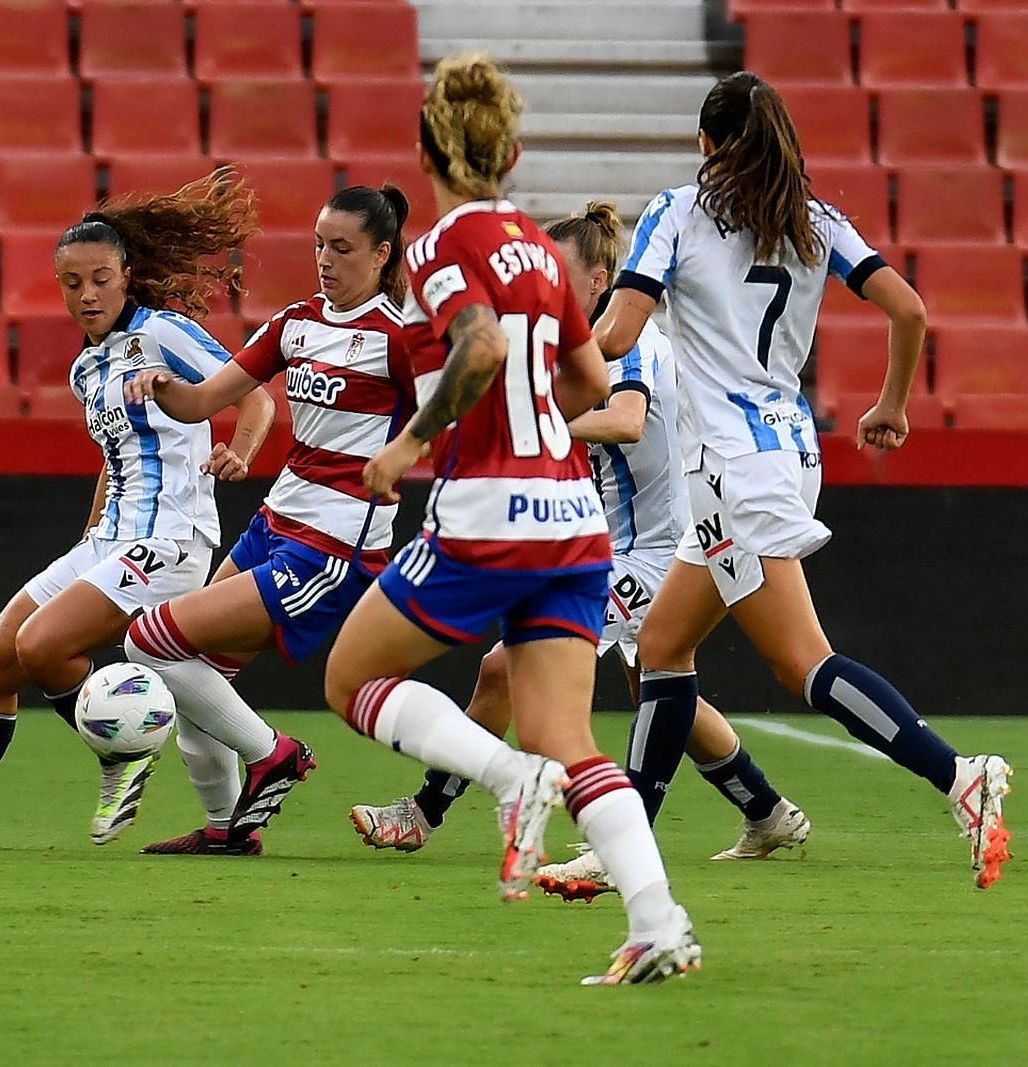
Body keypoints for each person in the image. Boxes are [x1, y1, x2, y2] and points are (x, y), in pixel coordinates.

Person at [322, 54, 701, 986]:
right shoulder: (538, 247)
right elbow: (591, 382)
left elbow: (482, 342)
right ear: (515, 152)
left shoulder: (441, 247)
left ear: (425, 151)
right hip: (574, 515)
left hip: (490, 507)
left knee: (351, 676)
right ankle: (657, 921)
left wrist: (409, 444)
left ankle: (505, 779)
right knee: (566, 735)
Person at [593, 71, 1013, 890]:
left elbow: (615, 334)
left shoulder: (676, 213)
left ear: (706, 143)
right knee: (663, 645)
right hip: (788, 454)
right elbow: (910, 309)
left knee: (805, 665)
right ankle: (625, 849)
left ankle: (959, 773)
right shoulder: (818, 221)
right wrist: (891, 403)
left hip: (732, 470)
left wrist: (536, 352)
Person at [349, 201, 810, 902]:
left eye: (565, 272)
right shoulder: (579, 341)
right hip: (612, 542)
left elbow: (625, 418)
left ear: (599, 277)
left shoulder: (637, 342)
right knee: (659, 692)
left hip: (652, 554)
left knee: (503, 667)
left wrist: (541, 420)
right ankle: (766, 809)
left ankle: (423, 812)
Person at [0, 173, 273, 851]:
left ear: (126, 276)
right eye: (72, 282)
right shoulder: (86, 368)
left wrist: (241, 449)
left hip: (171, 538)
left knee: (42, 645)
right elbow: (115, 455)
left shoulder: (165, 333)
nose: (86, 294)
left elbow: (253, 392)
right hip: (111, 538)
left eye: (100, 278)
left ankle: (126, 746)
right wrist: (90, 532)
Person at [119, 184, 417, 855]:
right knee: (195, 675)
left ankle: (273, 752)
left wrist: (406, 458)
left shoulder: (399, 339)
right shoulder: (296, 322)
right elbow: (200, 403)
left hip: (331, 547)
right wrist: (157, 383)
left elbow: (449, 418)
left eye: (341, 247)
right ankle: (230, 830)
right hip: (276, 521)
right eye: (318, 243)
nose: (324, 258)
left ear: (381, 254)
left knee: (149, 641)